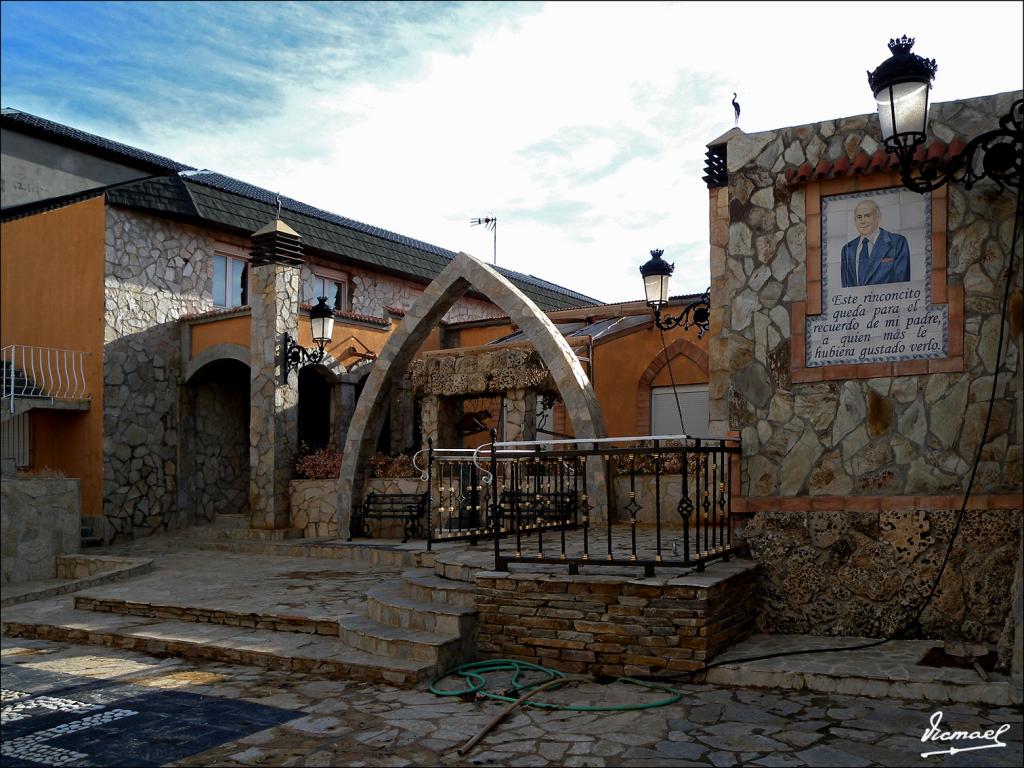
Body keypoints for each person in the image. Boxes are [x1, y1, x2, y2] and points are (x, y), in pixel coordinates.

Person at [840, 199, 910, 287]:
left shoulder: (897, 243)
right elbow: (847, 288)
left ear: (878, 217)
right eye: (859, 217)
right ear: (855, 220)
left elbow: (902, 284)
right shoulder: (847, 249)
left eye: (867, 216)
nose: (862, 221)